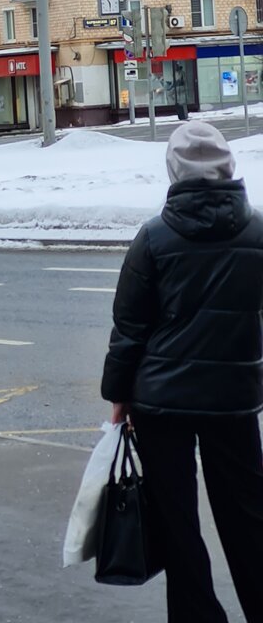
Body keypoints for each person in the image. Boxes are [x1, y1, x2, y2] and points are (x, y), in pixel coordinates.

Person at [101, 121, 263, 623]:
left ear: (174, 171)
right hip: (233, 399)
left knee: (177, 522)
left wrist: (118, 397)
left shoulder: (153, 238)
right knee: (248, 519)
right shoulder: (258, 232)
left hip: (160, 404)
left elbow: (129, 326)